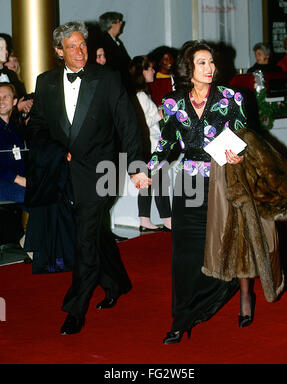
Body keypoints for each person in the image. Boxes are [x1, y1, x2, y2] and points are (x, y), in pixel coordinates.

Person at [146, 40, 287, 344]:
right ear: (189, 68)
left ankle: (243, 294)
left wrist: (236, 153)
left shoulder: (231, 98)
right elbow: (167, 143)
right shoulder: (174, 103)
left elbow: (244, 135)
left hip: (224, 180)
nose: (209, 68)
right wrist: (147, 169)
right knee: (184, 255)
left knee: (235, 242)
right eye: (202, 63)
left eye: (211, 62)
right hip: (189, 185)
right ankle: (181, 318)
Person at [27, 21, 150, 335]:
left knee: (84, 236)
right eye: (72, 46)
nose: (80, 52)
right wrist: (57, 150)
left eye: (83, 45)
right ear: (59, 51)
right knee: (94, 232)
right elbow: (37, 127)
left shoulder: (107, 79)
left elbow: (128, 127)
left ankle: (75, 309)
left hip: (102, 171)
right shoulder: (45, 82)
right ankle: (117, 283)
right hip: (65, 171)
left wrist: (136, 167)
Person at [129, 55, 172, 232]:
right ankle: (167, 219)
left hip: (150, 145)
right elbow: (143, 121)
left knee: (149, 183)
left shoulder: (142, 95)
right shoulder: (140, 96)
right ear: (142, 72)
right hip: (150, 146)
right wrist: (160, 114)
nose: (153, 71)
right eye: (150, 68)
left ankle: (145, 219)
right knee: (160, 183)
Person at [0, 82, 26, 202]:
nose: (1, 101)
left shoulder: (14, 128)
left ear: (14, 101)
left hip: (15, 180)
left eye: (6, 97)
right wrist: (17, 179)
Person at [0, 37, 33, 116]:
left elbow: (21, 97)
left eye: (6, 48)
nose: (6, 52)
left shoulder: (12, 74)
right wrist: (17, 108)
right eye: (1, 48)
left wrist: (28, 104)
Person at [98, 12, 131, 87]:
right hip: (112, 83)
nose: (121, 24)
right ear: (113, 24)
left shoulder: (117, 41)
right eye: (120, 21)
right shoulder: (104, 42)